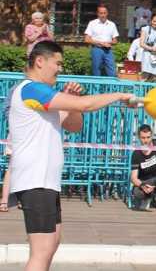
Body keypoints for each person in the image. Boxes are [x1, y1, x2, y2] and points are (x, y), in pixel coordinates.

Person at [8, 41, 134, 270]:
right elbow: (86, 104)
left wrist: (71, 103)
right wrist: (118, 94)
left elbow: (73, 124)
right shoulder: (31, 89)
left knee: (51, 244)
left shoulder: (43, 95)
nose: (60, 69)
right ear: (39, 61)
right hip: (35, 180)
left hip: (46, 181)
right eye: (57, 63)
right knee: (41, 250)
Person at [84, 5, 119, 77]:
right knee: (96, 69)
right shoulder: (92, 23)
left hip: (108, 50)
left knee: (112, 70)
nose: (103, 15)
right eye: (101, 13)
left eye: (104, 13)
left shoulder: (112, 24)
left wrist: (109, 43)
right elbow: (87, 39)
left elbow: (115, 41)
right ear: (97, 14)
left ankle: (111, 87)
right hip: (97, 49)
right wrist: (101, 43)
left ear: (107, 13)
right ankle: (96, 88)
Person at [139, 14, 156, 81]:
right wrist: (151, 48)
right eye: (154, 21)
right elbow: (141, 44)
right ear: (151, 21)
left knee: (155, 76)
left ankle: (149, 90)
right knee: (145, 75)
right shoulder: (145, 29)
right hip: (147, 54)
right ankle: (139, 90)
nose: (155, 23)